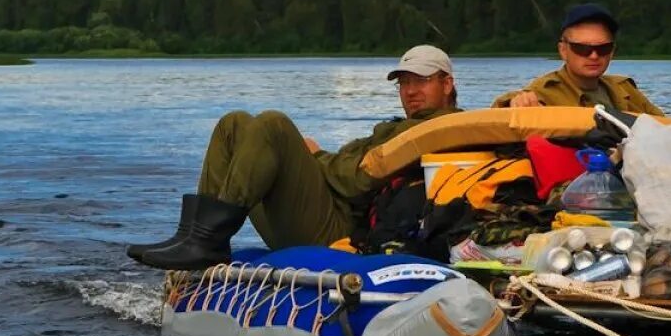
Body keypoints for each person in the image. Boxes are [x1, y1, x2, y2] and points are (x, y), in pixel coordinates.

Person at [126, 45, 460, 270]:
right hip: (326, 213)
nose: (410, 91)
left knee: (274, 125)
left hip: (340, 233)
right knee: (235, 125)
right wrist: (317, 157)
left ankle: (205, 241)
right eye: (404, 83)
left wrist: (312, 157)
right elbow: (353, 169)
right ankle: (193, 235)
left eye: (421, 81)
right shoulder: (403, 127)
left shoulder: (442, 129)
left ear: (447, 84)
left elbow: (353, 181)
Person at [493, 3, 666, 116]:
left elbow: (663, 125)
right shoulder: (544, 92)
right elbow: (503, 109)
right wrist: (515, 103)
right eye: (582, 48)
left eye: (603, 48)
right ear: (563, 50)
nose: (594, 56)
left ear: (612, 51)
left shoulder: (625, 88)